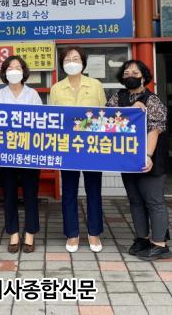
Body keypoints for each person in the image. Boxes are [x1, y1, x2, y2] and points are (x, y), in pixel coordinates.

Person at [107, 60, 171, 261]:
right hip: (128, 158)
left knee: (154, 201)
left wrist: (148, 155)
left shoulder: (152, 100)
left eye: (135, 73)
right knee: (135, 201)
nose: (130, 76)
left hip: (150, 158)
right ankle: (142, 238)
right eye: (126, 73)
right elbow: (108, 120)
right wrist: (131, 111)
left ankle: (159, 244)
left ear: (143, 77)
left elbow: (156, 130)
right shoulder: (118, 97)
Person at [49, 46, 107, 253]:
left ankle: (94, 232)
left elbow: (103, 115)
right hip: (67, 147)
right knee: (69, 191)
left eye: (75, 58)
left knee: (94, 190)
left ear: (83, 62)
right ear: (62, 64)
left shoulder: (95, 85)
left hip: (92, 147)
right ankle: (72, 234)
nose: (71, 62)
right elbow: (54, 119)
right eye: (67, 59)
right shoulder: (57, 88)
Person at [0, 55, 42, 253]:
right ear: (5, 72)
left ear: (24, 72)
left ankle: (30, 233)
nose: (14, 71)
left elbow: (41, 122)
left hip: (30, 152)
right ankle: (13, 233)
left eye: (18, 67)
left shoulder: (33, 94)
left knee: (30, 194)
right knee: (9, 194)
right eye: (10, 67)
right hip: (6, 153)